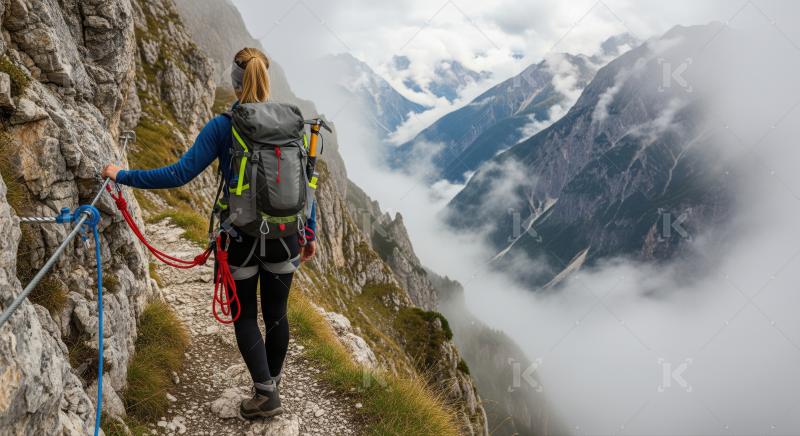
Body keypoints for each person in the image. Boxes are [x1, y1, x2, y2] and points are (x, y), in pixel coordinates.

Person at [102, 47, 315, 419]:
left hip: (242, 239)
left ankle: (266, 394)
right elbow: (307, 183)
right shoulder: (290, 123)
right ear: (267, 79)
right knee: (277, 315)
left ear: (235, 83)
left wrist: (123, 175)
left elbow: (179, 174)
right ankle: (271, 384)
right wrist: (308, 233)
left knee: (245, 316)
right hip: (287, 236)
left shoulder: (224, 126)